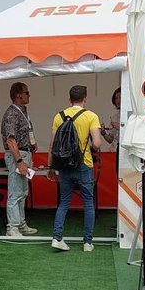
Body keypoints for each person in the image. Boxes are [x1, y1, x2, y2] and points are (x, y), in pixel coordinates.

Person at [48, 84, 102, 252]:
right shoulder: (91, 116)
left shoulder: (59, 116)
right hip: (84, 164)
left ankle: (57, 238)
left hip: (64, 165)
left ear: (69, 99)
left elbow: (52, 145)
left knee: (64, 202)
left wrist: (51, 167)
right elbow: (97, 143)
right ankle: (87, 243)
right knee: (88, 203)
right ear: (85, 98)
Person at [0, 82, 38, 237]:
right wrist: (20, 161)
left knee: (22, 191)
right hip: (18, 155)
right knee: (15, 191)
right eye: (27, 93)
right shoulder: (12, 114)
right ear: (18, 95)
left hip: (24, 153)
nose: (29, 95)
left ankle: (21, 224)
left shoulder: (22, 111)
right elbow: (10, 140)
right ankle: (12, 227)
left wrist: (31, 144)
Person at [101, 86, 121, 175]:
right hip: (118, 149)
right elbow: (110, 139)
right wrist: (103, 133)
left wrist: (121, 127)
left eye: (120, 97)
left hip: (130, 150)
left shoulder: (132, 115)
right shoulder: (115, 117)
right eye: (116, 98)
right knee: (118, 174)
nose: (118, 100)